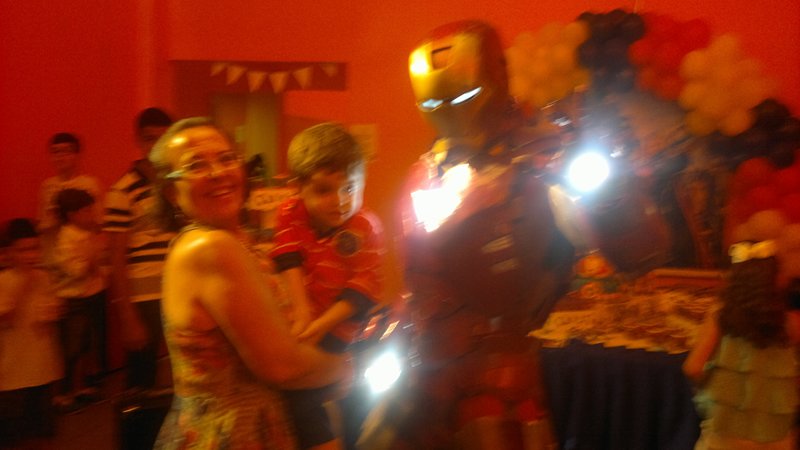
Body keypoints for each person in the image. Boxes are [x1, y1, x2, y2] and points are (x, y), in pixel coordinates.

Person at [361, 20, 575, 449]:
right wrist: (396, 320)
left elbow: (630, 248)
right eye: (433, 102)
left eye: (460, 97)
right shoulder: (427, 168)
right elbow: (421, 272)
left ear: (494, 79)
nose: (448, 112)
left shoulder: (541, 161)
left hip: (497, 364)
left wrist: (603, 192)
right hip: (423, 360)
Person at [148, 117, 350, 449]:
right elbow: (282, 366)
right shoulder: (210, 247)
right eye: (196, 165)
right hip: (231, 434)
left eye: (226, 158)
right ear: (171, 192)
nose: (218, 172)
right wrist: (348, 366)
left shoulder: (238, 241)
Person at [270, 123, 386, 450]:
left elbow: (362, 289)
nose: (340, 201)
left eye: (350, 188)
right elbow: (287, 257)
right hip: (302, 320)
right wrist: (302, 313)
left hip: (341, 328)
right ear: (297, 188)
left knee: (308, 397)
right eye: (324, 190)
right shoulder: (289, 213)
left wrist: (319, 326)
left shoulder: (366, 227)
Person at [683, 240, 799, 450]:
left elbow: (693, 367)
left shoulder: (721, 315)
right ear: (775, 279)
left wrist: (718, 385)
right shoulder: (790, 321)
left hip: (728, 429)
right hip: (775, 434)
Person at [104, 107, 174, 390]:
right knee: (141, 378)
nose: (156, 145)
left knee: (185, 371)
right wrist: (127, 316)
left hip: (178, 289)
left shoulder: (177, 185)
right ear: (138, 140)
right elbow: (115, 257)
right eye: (149, 138)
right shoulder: (123, 190)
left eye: (163, 138)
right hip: (144, 297)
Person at [0, 219, 63, 448]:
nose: (30, 255)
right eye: (23, 250)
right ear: (9, 252)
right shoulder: (4, 280)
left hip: (43, 371)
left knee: (43, 437)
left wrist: (55, 312)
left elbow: (49, 319)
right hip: (11, 378)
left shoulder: (44, 277)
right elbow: (5, 317)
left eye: (34, 248)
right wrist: (25, 281)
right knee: (16, 440)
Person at [52, 188, 108, 411]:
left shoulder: (89, 233)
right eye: (86, 211)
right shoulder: (66, 237)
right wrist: (92, 256)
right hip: (74, 299)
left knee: (88, 343)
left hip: (93, 294)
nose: (92, 214)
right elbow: (75, 271)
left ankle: (82, 387)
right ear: (71, 215)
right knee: (72, 347)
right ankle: (65, 394)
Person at [36, 132, 102, 265]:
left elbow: (99, 223)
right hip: (54, 257)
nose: (60, 156)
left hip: (83, 257)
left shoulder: (90, 185)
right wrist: (53, 219)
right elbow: (41, 226)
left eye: (66, 151)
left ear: (77, 155)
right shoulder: (47, 187)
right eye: (55, 152)